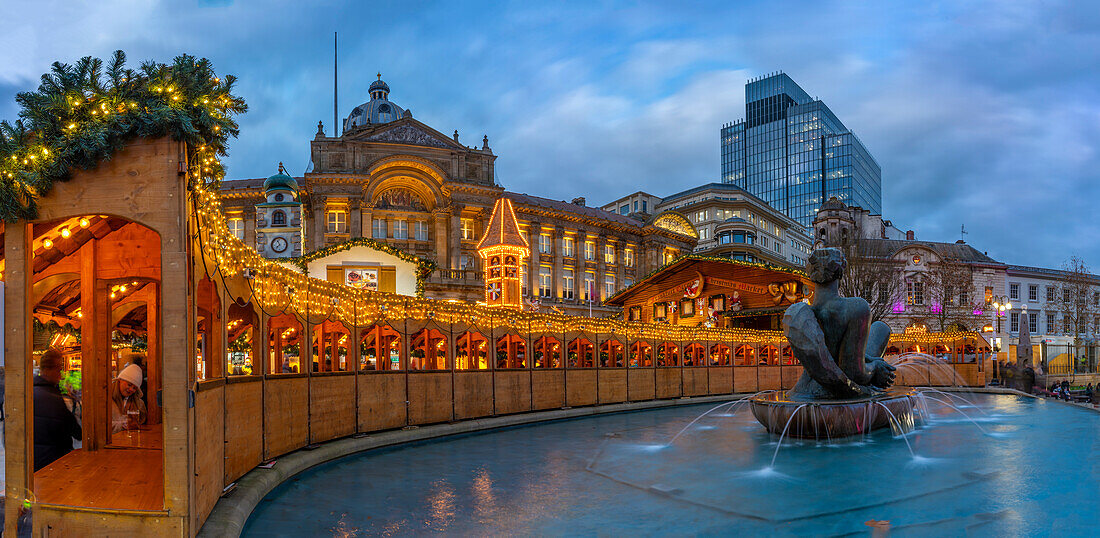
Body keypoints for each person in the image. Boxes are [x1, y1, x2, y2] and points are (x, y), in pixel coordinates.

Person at [33, 349, 81, 471]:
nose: (61, 374)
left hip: (33, 463)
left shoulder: (28, 392)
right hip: (53, 464)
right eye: (59, 369)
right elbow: (77, 432)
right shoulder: (54, 399)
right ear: (49, 370)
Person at [110, 363, 148, 433]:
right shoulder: (105, 400)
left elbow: (143, 424)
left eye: (134, 388)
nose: (131, 389)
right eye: (129, 385)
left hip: (131, 441)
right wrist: (122, 425)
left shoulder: (139, 404)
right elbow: (100, 425)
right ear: (119, 380)